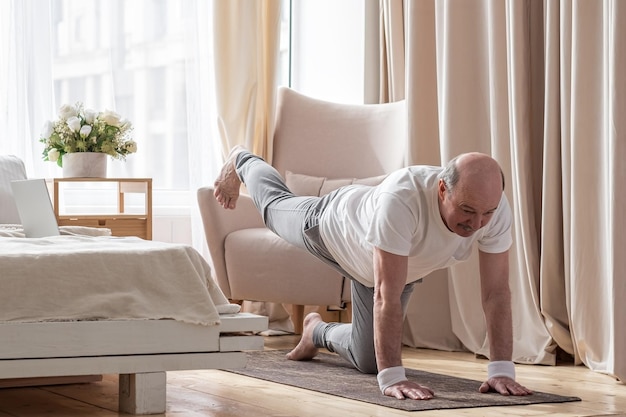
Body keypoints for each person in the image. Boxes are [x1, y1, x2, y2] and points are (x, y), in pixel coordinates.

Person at [214, 146, 533, 400]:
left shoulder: (495, 208)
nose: (477, 224)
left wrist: (501, 370)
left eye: (486, 213)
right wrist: (394, 378)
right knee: (273, 209)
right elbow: (387, 295)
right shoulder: (402, 199)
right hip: (332, 228)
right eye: (466, 210)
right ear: (441, 189)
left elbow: (496, 292)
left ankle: (316, 331)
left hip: (391, 268)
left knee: (368, 360)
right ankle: (243, 159)